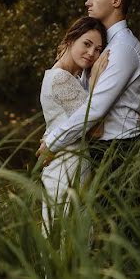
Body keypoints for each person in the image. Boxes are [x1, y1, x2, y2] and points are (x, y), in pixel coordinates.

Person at [38, 0, 140, 179]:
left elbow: (96, 109)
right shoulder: (104, 46)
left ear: (116, 1)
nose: (87, 2)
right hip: (96, 146)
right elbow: (82, 100)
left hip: (116, 149)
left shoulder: (123, 49)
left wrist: (52, 142)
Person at [39, 16, 110, 232]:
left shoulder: (64, 76)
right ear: (71, 40)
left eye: (98, 49)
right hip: (68, 168)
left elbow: (62, 120)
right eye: (87, 44)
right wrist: (97, 79)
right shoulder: (62, 78)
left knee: (62, 236)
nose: (92, 54)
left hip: (64, 164)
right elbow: (97, 129)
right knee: (68, 238)